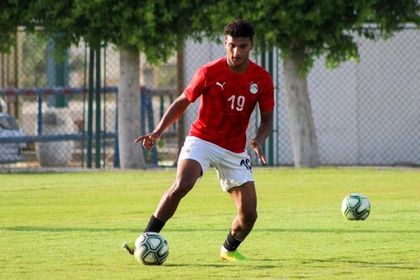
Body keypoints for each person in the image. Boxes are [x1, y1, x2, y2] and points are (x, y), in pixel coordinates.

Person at [123, 19, 274, 262]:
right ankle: (146, 239)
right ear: (225, 43)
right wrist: (158, 131)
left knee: (249, 216)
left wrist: (258, 138)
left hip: (234, 150)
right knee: (183, 183)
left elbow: (267, 121)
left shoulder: (262, 79)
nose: (236, 52)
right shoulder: (209, 72)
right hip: (202, 139)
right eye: (232, 45)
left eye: (243, 46)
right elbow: (183, 100)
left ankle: (228, 249)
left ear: (251, 46)